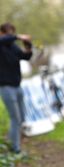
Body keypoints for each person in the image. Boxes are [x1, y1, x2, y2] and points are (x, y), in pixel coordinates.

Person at [0, 22, 33, 154]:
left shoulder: (12, 47)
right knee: (15, 118)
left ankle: (13, 142)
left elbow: (26, 56)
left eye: (12, 32)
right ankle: (15, 148)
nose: (11, 35)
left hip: (17, 86)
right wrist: (19, 37)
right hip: (6, 87)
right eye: (8, 32)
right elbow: (5, 39)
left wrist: (28, 45)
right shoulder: (1, 45)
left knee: (21, 118)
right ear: (2, 33)